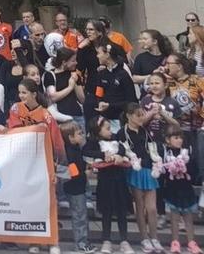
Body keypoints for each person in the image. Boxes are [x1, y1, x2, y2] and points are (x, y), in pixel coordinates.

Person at [84, 115, 133, 254]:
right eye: (107, 128)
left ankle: (124, 240)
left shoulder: (116, 138)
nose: (110, 131)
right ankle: (106, 240)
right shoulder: (94, 142)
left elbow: (123, 148)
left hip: (120, 180)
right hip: (105, 181)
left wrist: (119, 155)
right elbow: (86, 151)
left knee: (121, 211)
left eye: (110, 128)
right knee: (107, 211)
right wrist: (102, 154)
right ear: (98, 130)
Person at [120, 103, 162, 253]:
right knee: (140, 206)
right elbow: (123, 151)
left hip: (149, 170)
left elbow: (153, 149)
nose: (141, 118)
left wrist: (156, 163)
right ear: (128, 116)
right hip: (135, 170)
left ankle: (154, 238)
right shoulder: (122, 133)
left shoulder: (145, 131)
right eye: (138, 115)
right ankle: (144, 238)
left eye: (142, 114)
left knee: (152, 208)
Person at [8, 79, 65, 164]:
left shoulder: (45, 114)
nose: (21, 96)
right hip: (21, 152)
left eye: (24, 93)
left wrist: (59, 159)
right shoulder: (16, 108)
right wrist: (35, 128)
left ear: (34, 94)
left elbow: (56, 139)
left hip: (40, 155)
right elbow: (14, 131)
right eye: (19, 92)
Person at [162, 125, 201, 254]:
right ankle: (175, 242)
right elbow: (163, 172)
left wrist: (185, 167)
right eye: (176, 137)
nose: (179, 140)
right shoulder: (166, 153)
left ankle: (191, 242)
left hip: (186, 188)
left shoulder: (186, 153)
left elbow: (194, 170)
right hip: (173, 189)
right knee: (174, 217)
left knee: (188, 217)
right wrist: (170, 168)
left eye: (180, 138)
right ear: (168, 139)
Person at [60, 121, 95, 254]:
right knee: (79, 216)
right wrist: (85, 174)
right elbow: (72, 174)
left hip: (79, 187)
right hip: (75, 189)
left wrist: (86, 166)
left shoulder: (76, 149)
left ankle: (84, 242)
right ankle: (81, 244)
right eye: (79, 133)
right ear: (71, 137)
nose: (82, 135)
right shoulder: (69, 153)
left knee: (81, 215)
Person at [88, 42, 136, 133]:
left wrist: (110, 106)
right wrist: (100, 102)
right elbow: (99, 94)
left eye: (99, 53)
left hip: (121, 120)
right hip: (105, 120)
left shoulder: (123, 75)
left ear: (107, 55)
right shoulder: (101, 74)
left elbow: (132, 100)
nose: (97, 56)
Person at [42, 47, 85, 129]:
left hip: (77, 114)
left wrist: (75, 82)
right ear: (64, 62)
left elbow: (82, 99)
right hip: (60, 117)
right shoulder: (50, 75)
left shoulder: (73, 74)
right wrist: (70, 87)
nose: (76, 63)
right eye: (73, 61)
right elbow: (53, 97)